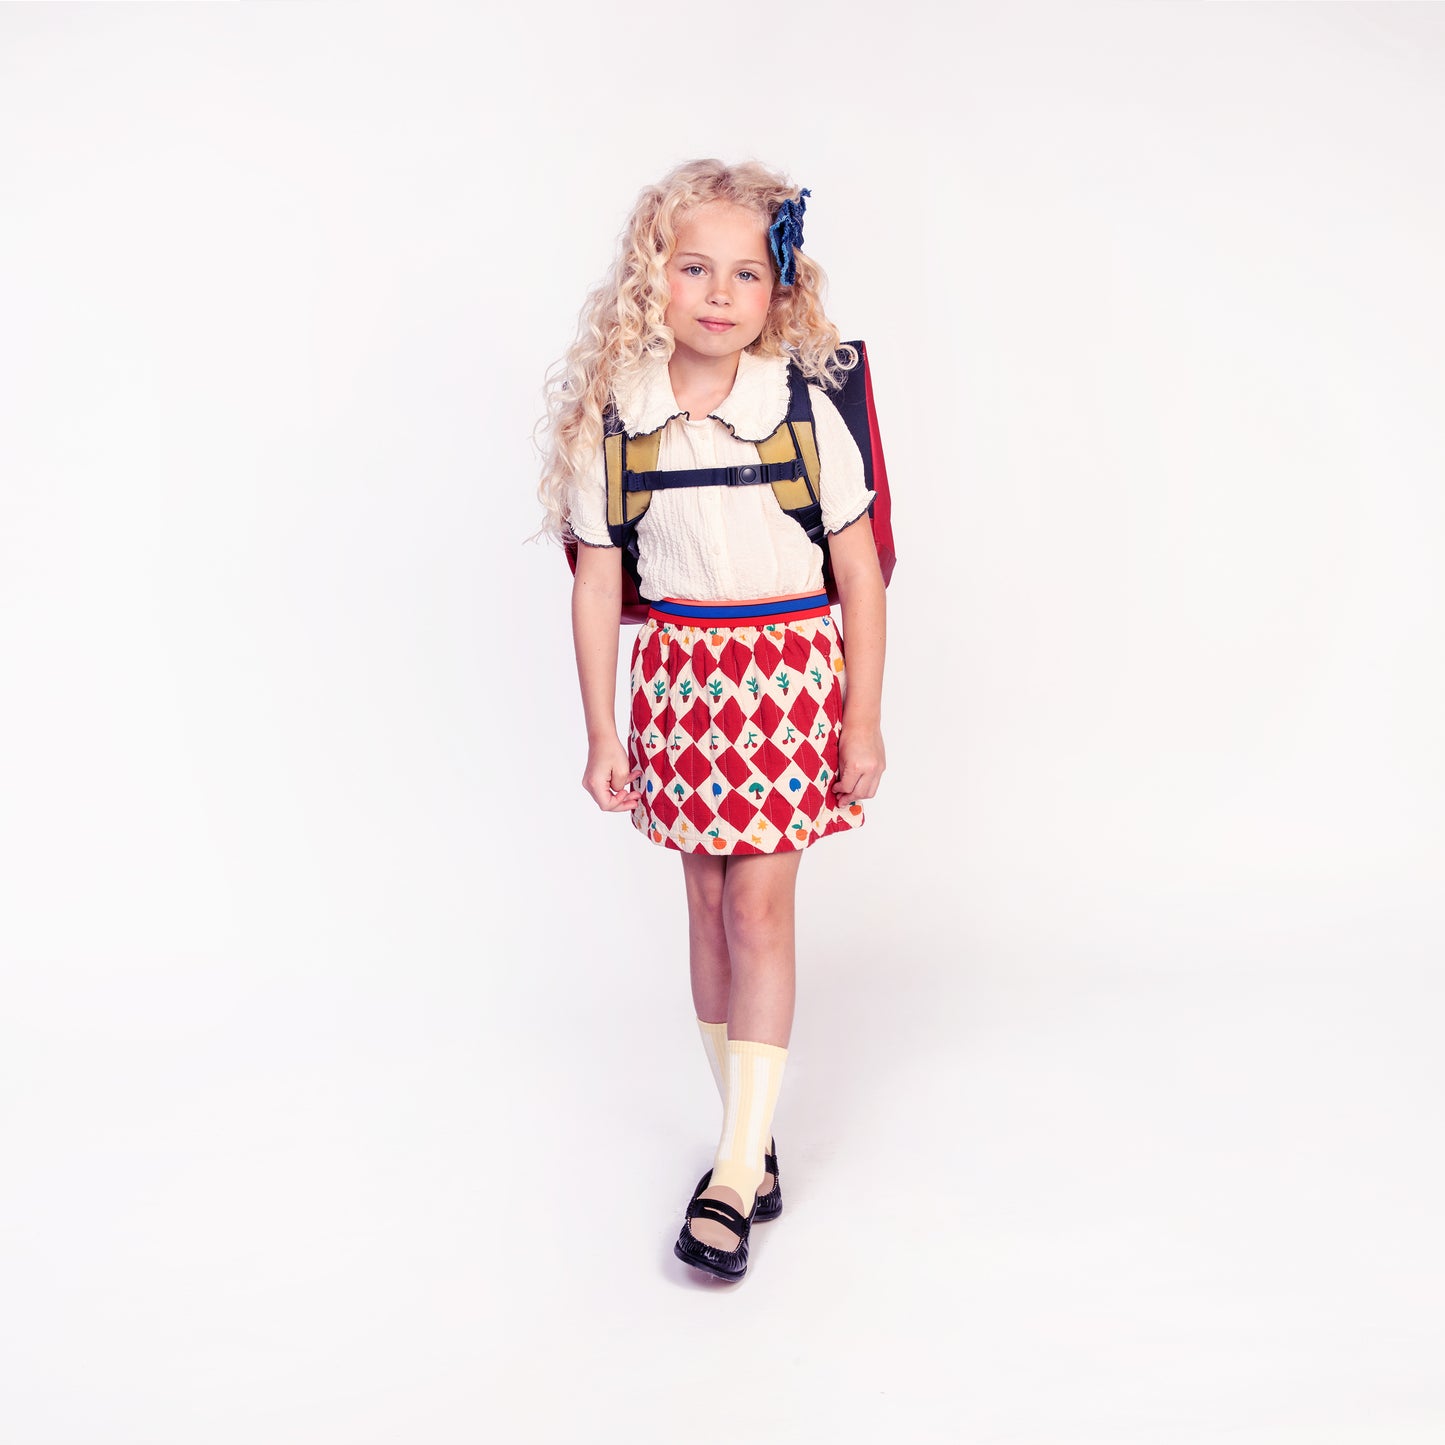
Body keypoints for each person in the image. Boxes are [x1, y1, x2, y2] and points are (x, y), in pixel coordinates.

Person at [535, 158, 887, 1283]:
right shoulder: (618, 417)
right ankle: (751, 1133)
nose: (720, 294)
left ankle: (733, 1169)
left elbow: (859, 571)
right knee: (705, 906)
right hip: (682, 679)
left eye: (745, 273)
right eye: (695, 268)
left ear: (777, 290)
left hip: (786, 676)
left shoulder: (800, 407)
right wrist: (602, 731)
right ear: (654, 278)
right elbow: (597, 581)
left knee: (757, 907)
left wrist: (862, 721)